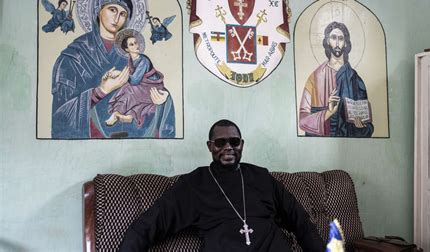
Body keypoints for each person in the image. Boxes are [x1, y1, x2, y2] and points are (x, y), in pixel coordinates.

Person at [119, 119, 325, 251]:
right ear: (210, 146)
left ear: (242, 145)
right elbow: (148, 225)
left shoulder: (261, 177)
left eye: (234, 142)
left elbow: (301, 221)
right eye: (220, 143)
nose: (228, 148)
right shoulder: (194, 184)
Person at [51, 0, 175, 138]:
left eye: (123, 14)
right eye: (112, 10)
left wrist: (162, 100)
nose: (117, 19)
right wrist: (100, 92)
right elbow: (59, 119)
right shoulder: (74, 56)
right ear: (98, 10)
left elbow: (150, 86)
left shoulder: (133, 56)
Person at [299, 21, 374, 137]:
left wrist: (360, 127)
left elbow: (368, 125)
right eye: (334, 38)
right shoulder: (314, 78)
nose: (338, 43)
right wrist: (328, 112)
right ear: (328, 41)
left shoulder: (355, 79)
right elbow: (303, 121)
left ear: (345, 43)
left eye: (341, 38)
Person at [106, 28, 169, 128]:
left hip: (152, 87)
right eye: (132, 44)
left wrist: (119, 73)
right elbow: (130, 75)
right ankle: (122, 115)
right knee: (128, 92)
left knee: (128, 90)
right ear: (127, 49)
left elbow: (135, 80)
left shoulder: (143, 60)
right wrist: (116, 74)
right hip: (142, 87)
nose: (136, 45)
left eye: (136, 43)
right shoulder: (131, 59)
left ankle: (119, 113)